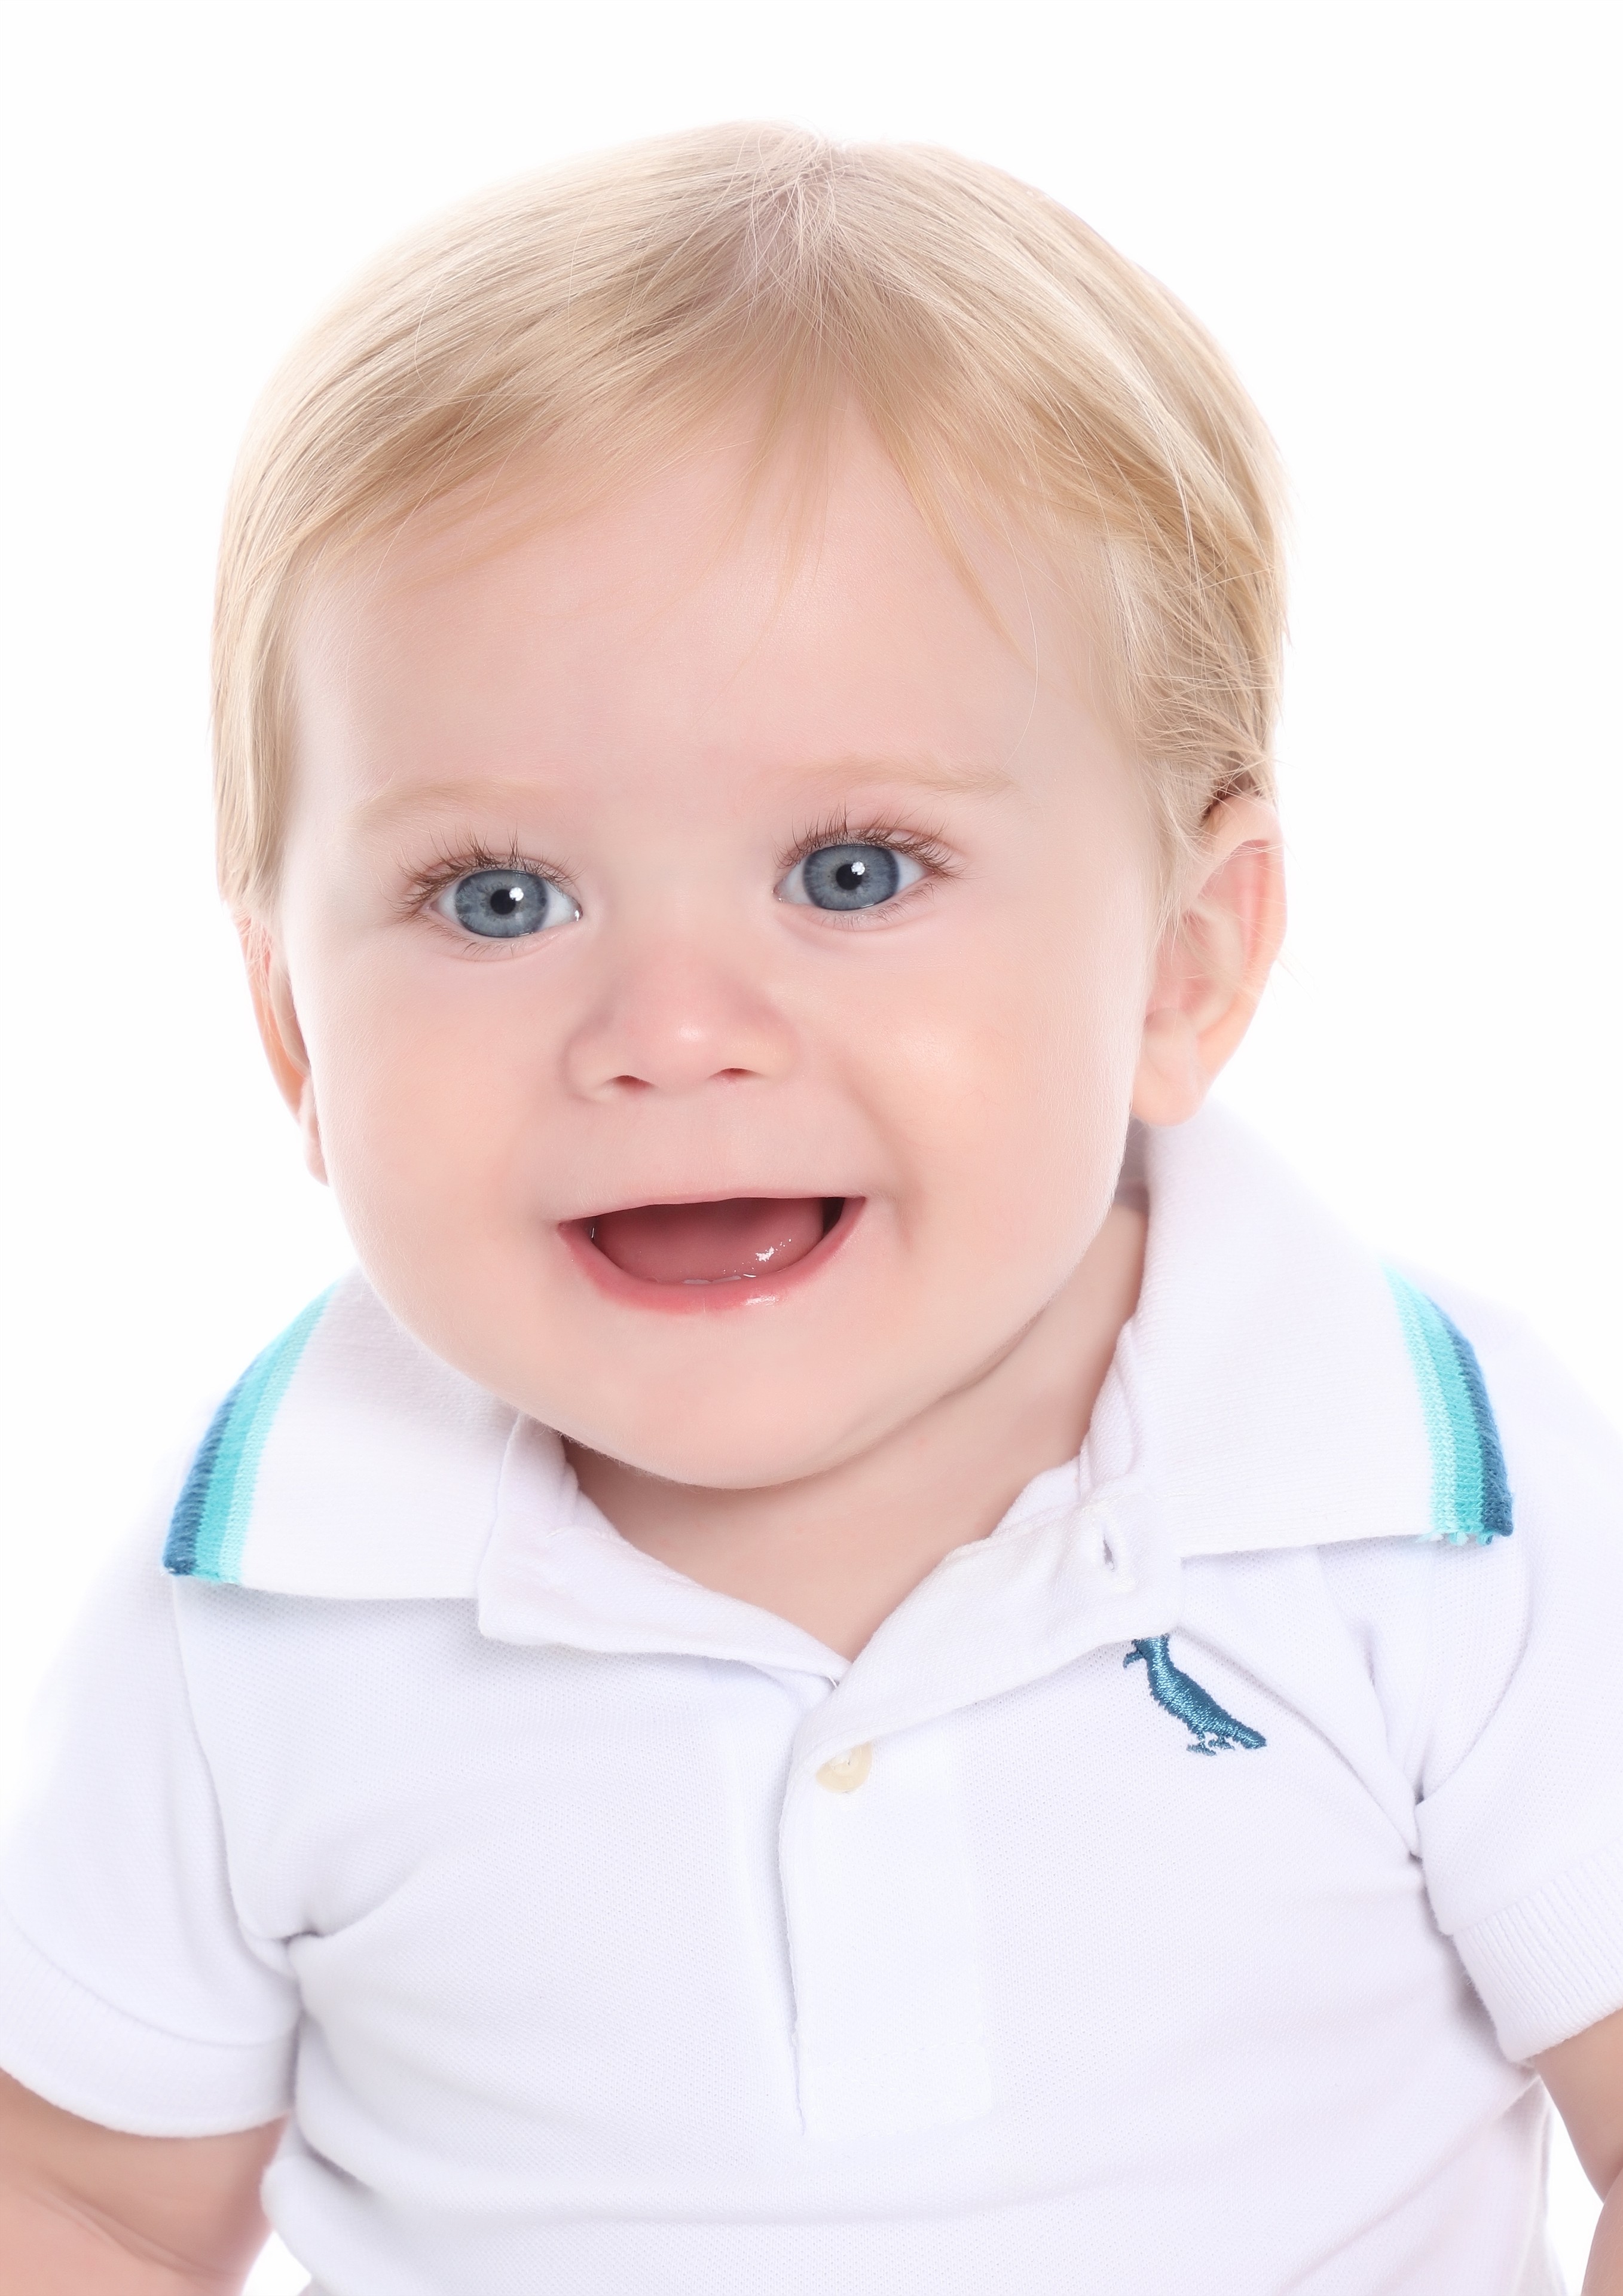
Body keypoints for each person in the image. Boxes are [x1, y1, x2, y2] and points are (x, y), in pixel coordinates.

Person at [0, 125, 1618, 2296]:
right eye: (498, 899)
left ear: (1184, 962)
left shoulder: (1443, 1524)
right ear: (291, 1024)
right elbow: (84, 2201)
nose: (671, 1033)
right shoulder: (252, 1603)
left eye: (850, 873)